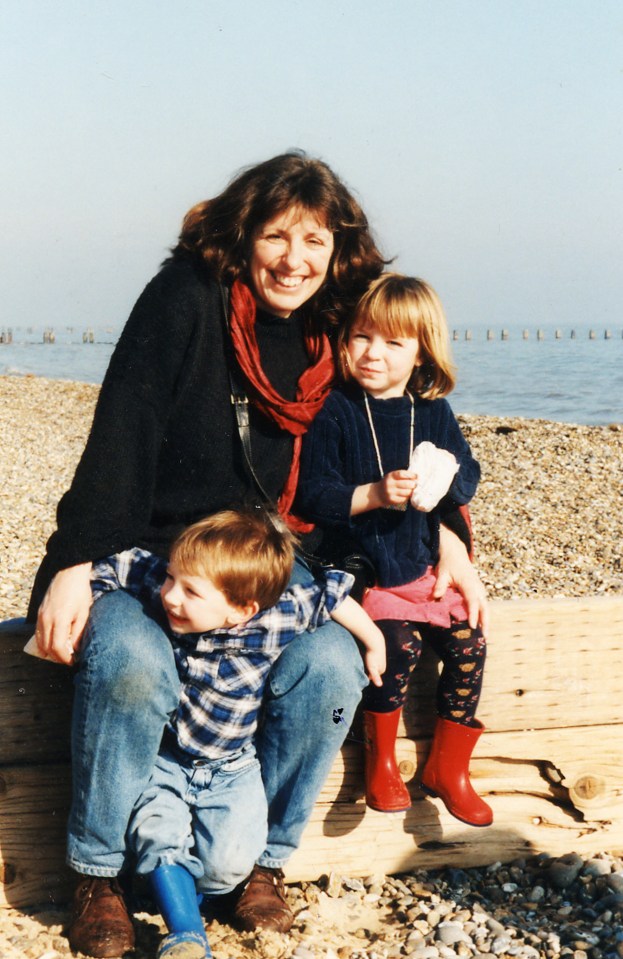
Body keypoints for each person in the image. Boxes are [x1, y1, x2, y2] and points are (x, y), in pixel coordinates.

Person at [28, 151, 487, 958]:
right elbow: (122, 431)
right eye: (275, 236)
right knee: (131, 664)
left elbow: (402, 428)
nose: (293, 260)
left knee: (331, 669)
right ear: (241, 238)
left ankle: (259, 866)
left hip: (275, 570)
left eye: (314, 240)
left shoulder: (335, 324)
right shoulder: (187, 300)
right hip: (159, 559)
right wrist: (75, 560)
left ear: (337, 249)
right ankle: (97, 873)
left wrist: (448, 529)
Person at [88, 509, 385, 959]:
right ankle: (187, 933)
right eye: (172, 579)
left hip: (232, 769)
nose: (170, 597)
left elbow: (330, 595)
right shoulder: (168, 590)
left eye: (190, 591)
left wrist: (375, 639)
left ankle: (209, 890)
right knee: (158, 835)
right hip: (166, 760)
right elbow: (115, 565)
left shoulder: (276, 618)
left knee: (226, 866)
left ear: (242, 610)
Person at [297, 273, 492, 827]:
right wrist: (375, 494)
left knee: (469, 644)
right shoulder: (336, 410)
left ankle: (448, 769)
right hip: (368, 574)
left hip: (421, 567)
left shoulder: (429, 412)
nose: (373, 354)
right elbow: (316, 492)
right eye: (362, 337)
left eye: (393, 343)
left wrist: (446, 481)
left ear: (421, 352)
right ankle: (379, 761)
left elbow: (467, 472)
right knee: (397, 649)